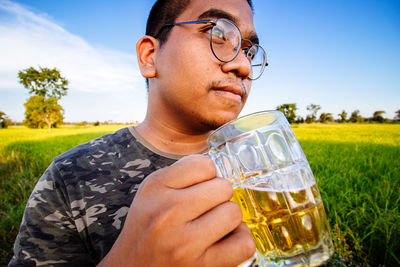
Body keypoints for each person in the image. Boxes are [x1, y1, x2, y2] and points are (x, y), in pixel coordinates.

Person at [9, 0, 268, 266]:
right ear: (149, 57)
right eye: (218, 33)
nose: (243, 67)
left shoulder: (265, 166)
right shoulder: (70, 176)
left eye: (249, 51)